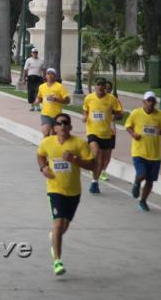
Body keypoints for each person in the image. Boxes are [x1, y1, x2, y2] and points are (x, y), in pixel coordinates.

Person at [37, 113, 94, 276]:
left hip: (74, 191)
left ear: (70, 127)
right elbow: (40, 155)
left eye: (65, 123)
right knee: (58, 223)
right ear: (54, 127)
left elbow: (92, 165)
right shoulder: (47, 142)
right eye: (59, 123)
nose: (62, 126)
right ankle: (57, 261)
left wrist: (75, 160)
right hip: (55, 189)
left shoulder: (79, 144)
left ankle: (54, 239)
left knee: (64, 226)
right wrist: (43, 168)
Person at [82, 77, 123, 194]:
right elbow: (85, 110)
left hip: (107, 133)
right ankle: (94, 181)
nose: (100, 86)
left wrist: (116, 117)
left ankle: (95, 180)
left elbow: (120, 113)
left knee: (104, 159)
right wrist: (85, 116)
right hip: (92, 131)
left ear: (105, 87)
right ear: (95, 86)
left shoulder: (112, 99)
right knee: (97, 155)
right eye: (98, 84)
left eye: (102, 85)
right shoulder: (89, 98)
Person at [125, 91, 161, 212]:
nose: (151, 103)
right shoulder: (136, 113)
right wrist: (133, 134)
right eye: (149, 100)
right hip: (139, 152)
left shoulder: (160, 115)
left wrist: (160, 131)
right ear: (144, 102)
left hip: (155, 154)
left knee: (150, 181)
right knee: (142, 174)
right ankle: (137, 183)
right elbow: (128, 126)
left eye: (153, 101)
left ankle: (143, 201)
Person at [35, 68, 70, 137]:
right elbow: (39, 96)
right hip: (45, 114)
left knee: (53, 135)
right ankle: (43, 147)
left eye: (52, 74)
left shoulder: (60, 87)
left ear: (55, 76)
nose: (50, 76)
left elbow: (67, 100)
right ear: (46, 76)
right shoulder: (42, 87)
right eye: (48, 74)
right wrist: (37, 100)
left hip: (57, 115)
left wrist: (56, 99)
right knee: (46, 132)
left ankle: (50, 147)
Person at [100, 81, 123, 181]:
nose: (106, 90)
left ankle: (103, 171)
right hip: (97, 131)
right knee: (99, 152)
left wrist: (114, 116)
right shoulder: (95, 99)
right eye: (105, 88)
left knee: (108, 153)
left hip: (111, 131)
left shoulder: (114, 100)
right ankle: (96, 168)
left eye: (108, 88)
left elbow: (120, 114)